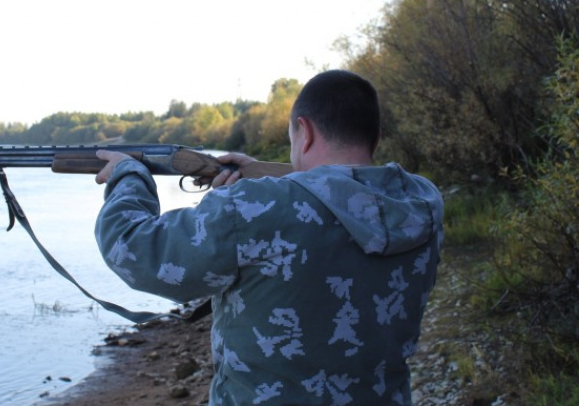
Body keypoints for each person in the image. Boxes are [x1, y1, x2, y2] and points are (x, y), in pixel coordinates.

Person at [93, 70, 444, 405]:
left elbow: (133, 250)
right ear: (375, 138)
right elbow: (343, 186)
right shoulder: (421, 202)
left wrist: (129, 176)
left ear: (303, 132)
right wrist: (261, 173)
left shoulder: (254, 207)